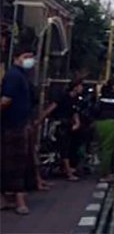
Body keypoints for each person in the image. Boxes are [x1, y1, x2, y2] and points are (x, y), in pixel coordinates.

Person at [1, 45, 37, 214]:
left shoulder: (21, 76)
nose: (30, 60)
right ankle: (17, 199)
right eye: (27, 55)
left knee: (15, 163)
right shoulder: (14, 76)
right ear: (17, 57)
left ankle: (11, 198)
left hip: (18, 124)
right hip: (12, 126)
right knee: (13, 163)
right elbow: (6, 100)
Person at [40, 78, 84, 181]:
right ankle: (68, 172)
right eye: (80, 86)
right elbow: (52, 107)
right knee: (64, 148)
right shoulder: (63, 96)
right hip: (60, 124)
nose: (82, 88)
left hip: (68, 125)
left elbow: (74, 112)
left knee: (69, 146)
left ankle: (66, 168)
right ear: (75, 87)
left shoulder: (75, 99)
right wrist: (39, 120)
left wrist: (77, 123)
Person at [93, 80, 114, 180]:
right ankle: (105, 174)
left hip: (99, 122)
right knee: (109, 149)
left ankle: (108, 171)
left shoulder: (102, 96)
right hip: (110, 122)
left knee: (102, 147)